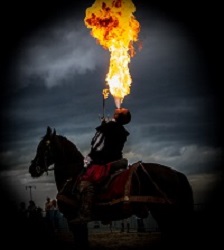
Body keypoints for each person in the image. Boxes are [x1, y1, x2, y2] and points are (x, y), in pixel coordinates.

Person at [70, 107, 131, 224]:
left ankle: (85, 214)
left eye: (121, 109)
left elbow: (96, 145)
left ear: (118, 116)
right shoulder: (121, 131)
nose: (119, 107)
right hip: (117, 161)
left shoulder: (107, 128)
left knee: (86, 183)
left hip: (103, 162)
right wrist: (105, 125)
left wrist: (90, 158)